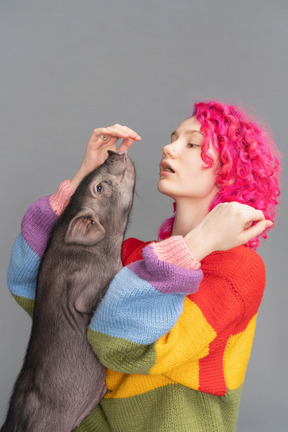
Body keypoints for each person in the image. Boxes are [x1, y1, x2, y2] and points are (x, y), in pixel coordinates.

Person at [7, 100, 281, 431]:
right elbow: (34, 288)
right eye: (174, 137)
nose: (169, 147)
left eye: (192, 143)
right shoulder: (135, 257)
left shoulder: (236, 271)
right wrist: (85, 181)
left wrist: (196, 245)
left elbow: (122, 345)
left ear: (231, 170)